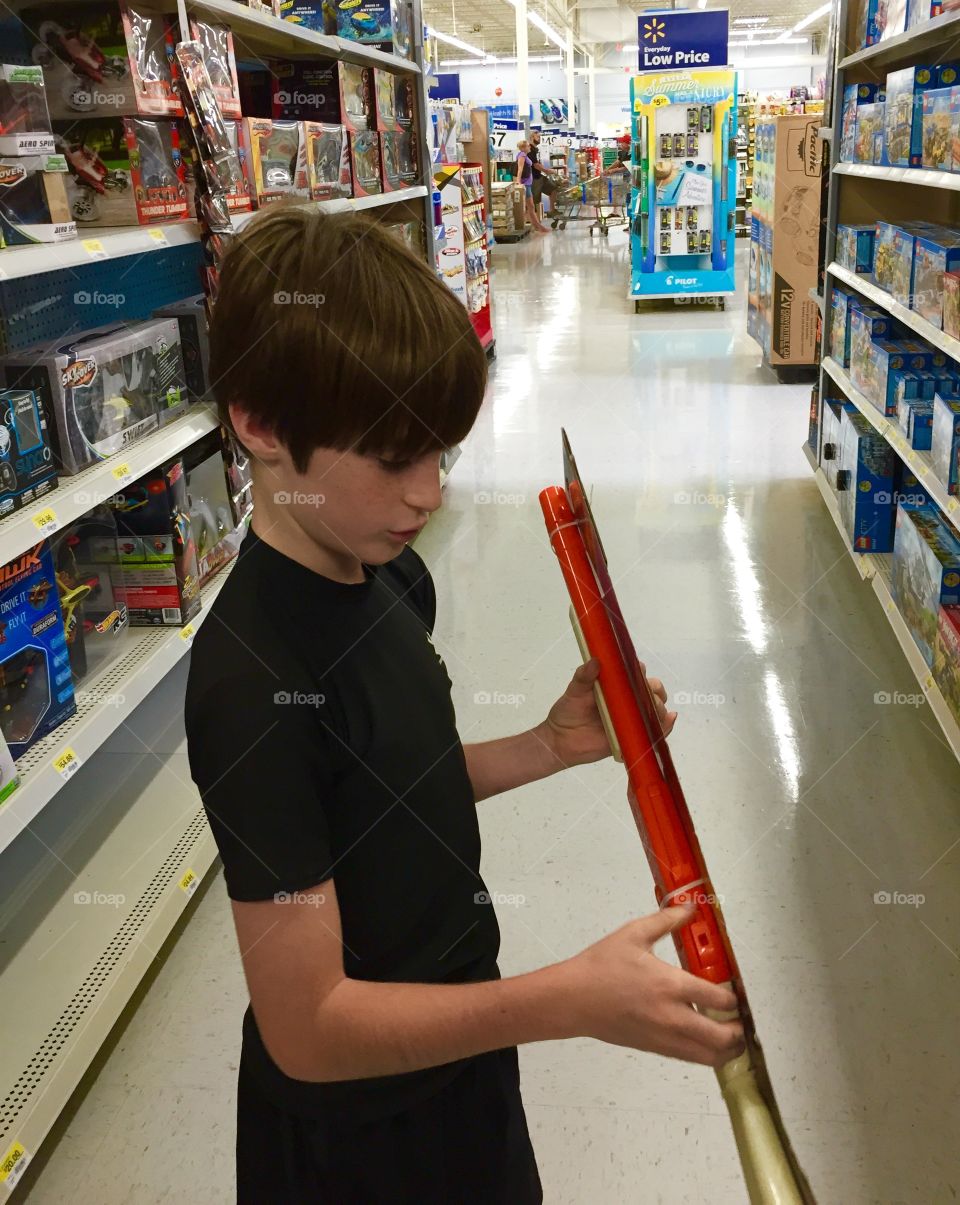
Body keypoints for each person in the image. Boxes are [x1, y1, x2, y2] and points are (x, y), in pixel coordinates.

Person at [186, 205, 745, 1204]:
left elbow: (390, 783)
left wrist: (551, 743)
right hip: (355, 1138)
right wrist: (565, 1000)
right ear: (261, 424)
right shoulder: (247, 687)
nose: (430, 493)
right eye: (395, 458)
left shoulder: (387, 576)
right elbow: (307, 1028)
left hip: (460, 1062)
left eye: (440, 453)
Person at [516, 139, 548, 233]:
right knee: (530, 206)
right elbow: (520, 168)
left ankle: (536, 226)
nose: (529, 147)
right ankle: (538, 227)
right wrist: (518, 181)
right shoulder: (522, 155)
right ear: (523, 147)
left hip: (528, 183)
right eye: (528, 146)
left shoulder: (524, 155)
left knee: (530, 207)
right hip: (525, 184)